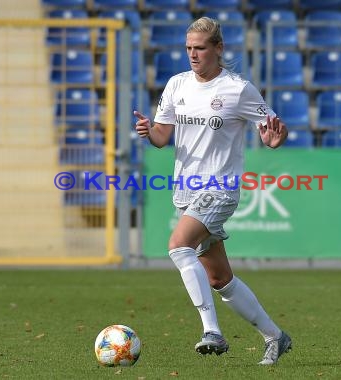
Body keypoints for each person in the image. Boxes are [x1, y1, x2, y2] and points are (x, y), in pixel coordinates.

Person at [133, 16, 291, 365]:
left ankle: (212, 332)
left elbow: (272, 130)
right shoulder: (176, 85)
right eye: (189, 48)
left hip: (220, 187)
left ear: (218, 48)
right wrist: (149, 130)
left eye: (200, 48)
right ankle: (275, 337)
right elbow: (163, 136)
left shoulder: (238, 89)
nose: (193, 54)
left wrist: (273, 139)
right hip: (187, 190)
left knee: (178, 245)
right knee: (219, 278)